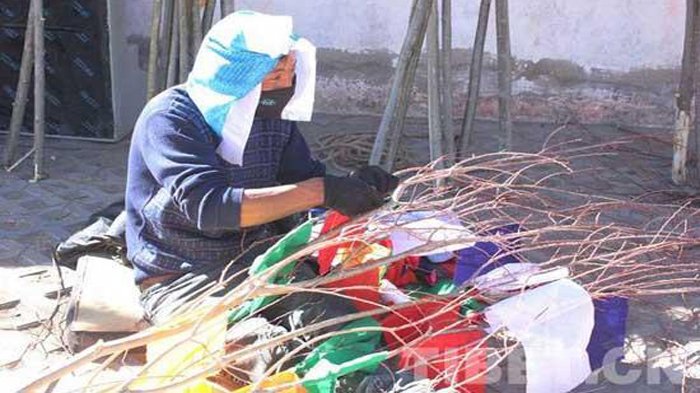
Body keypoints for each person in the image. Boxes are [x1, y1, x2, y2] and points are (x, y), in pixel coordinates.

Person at [124, 11, 398, 325]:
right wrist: (323, 191)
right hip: (183, 275)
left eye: (290, 74)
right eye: (274, 77)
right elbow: (212, 208)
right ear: (235, 77)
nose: (285, 86)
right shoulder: (171, 118)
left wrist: (353, 186)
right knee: (248, 349)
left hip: (258, 260)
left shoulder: (271, 117)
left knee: (338, 325)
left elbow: (301, 178)